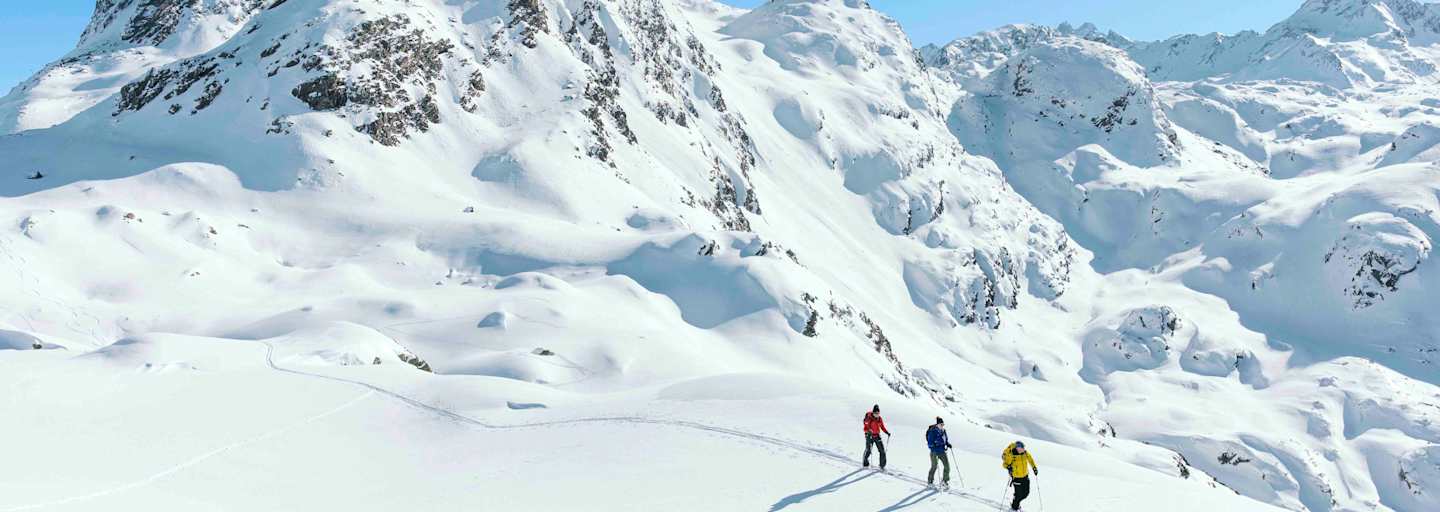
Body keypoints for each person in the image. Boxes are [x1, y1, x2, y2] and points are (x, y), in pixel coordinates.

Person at [1001, 441, 1039, 511]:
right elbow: (1005, 464)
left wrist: (1034, 468)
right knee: (1019, 494)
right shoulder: (1012, 455)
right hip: (1017, 478)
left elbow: (1030, 459)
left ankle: (1016, 501)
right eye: (1022, 448)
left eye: (1023, 448)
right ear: (1017, 448)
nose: (1023, 449)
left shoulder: (1025, 453)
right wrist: (1009, 467)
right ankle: (1014, 507)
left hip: (1025, 476)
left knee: (1026, 493)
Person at [926, 417, 953, 487]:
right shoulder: (933, 431)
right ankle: (930, 481)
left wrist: (947, 444)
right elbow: (929, 443)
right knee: (934, 466)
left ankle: (944, 481)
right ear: (937, 424)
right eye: (941, 424)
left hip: (942, 451)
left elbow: (945, 440)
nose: (942, 425)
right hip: (934, 452)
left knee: (947, 466)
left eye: (943, 424)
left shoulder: (943, 431)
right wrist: (934, 444)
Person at [862, 405, 890, 469]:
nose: (877, 415)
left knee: (882, 450)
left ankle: (882, 465)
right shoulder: (869, 418)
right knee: (868, 450)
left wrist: (887, 432)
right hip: (869, 435)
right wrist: (869, 431)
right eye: (875, 413)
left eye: (878, 413)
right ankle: (865, 463)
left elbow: (882, 427)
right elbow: (866, 426)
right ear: (873, 412)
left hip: (877, 435)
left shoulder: (879, 419)